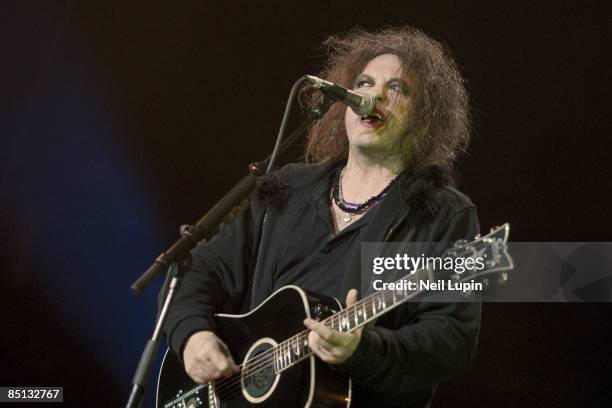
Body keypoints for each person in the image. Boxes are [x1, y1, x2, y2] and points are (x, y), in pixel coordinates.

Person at [163, 26, 480, 407]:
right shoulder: (285, 191)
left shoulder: (443, 213)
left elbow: (450, 339)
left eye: (397, 89)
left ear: (425, 118)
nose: (374, 95)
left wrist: (362, 350)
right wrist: (192, 334)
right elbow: (197, 270)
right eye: (363, 83)